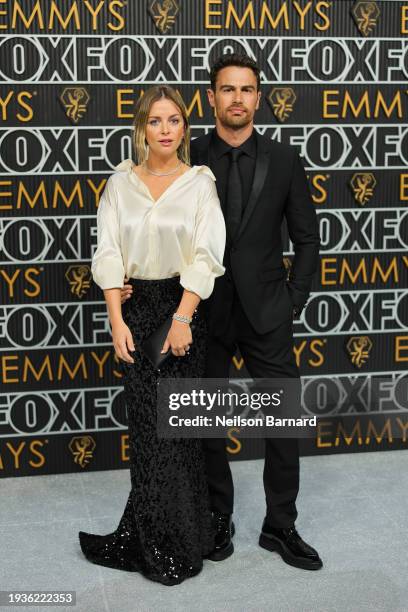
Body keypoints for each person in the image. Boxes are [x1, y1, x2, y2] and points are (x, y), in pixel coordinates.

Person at [121, 53, 323, 571]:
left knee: (282, 423)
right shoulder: (190, 156)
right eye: (227, 89)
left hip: (267, 313)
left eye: (247, 89)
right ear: (211, 98)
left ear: (259, 97)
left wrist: (290, 302)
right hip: (202, 314)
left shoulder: (284, 160)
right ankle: (217, 520)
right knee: (206, 424)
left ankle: (282, 525)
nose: (237, 98)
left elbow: (307, 240)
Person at [78, 85, 226, 586]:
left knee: (179, 431)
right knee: (147, 433)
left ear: (185, 127)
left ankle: (185, 537)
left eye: (175, 120)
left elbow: (206, 254)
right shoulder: (120, 183)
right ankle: (151, 535)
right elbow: (109, 254)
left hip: (182, 311)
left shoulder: (200, 182)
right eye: (156, 120)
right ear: (142, 127)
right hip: (136, 311)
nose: (166, 129)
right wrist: (116, 320)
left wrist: (183, 318)